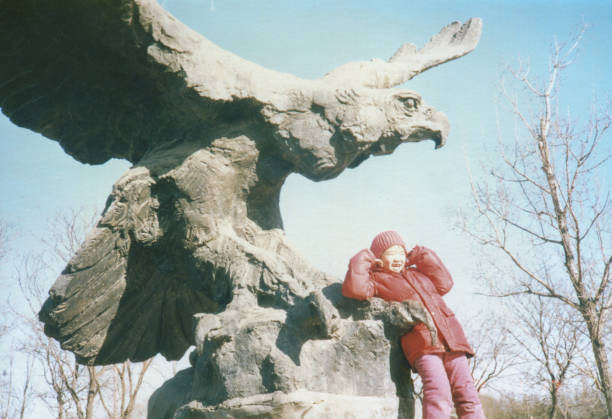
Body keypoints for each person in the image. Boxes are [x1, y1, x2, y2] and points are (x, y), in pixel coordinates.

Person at [342, 230, 485, 419]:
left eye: (401, 253)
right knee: (438, 393)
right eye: (391, 253)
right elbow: (355, 289)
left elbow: (445, 283)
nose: (398, 258)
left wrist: (420, 254)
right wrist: (366, 256)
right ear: (379, 258)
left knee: (468, 395)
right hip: (422, 343)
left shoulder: (418, 274)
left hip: (453, 340)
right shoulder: (377, 280)